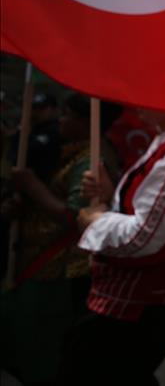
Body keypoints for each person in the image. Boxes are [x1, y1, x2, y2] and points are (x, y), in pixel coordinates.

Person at [58, 110, 165, 385]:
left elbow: (142, 236)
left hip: (141, 301)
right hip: (130, 295)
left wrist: (94, 221)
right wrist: (111, 195)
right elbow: (146, 211)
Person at [0, 94, 118, 386]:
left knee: (46, 349)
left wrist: (33, 187)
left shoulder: (91, 159)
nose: (60, 121)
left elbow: (78, 217)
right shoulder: (67, 152)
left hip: (61, 269)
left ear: (85, 121)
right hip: (36, 263)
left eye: (66, 115)